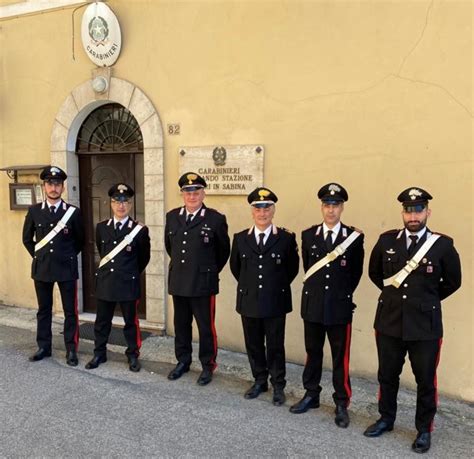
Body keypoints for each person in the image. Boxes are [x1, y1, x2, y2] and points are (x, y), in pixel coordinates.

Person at [363, 187, 461, 454]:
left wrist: (426, 301)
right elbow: (374, 274)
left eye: (419, 209)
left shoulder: (442, 245)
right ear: (403, 213)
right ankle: (386, 418)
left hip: (425, 326)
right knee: (387, 375)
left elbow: (453, 282)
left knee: (426, 380)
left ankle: (424, 430)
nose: (413, 215)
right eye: (409, 210)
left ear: (428, 212)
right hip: (389, 322)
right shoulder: (386, 241)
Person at [289, 183, 364, 427]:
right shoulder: (309, 235)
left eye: (335, 205)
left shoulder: (353, 238)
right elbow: (308, 269)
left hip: (339, 307)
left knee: (340, 357)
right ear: (321, 207)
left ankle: (342, 403)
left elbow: (355, 274)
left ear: (342, 207)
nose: (331, 210)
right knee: (313, 353)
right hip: (313, 305)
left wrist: (340, 296)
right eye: (326, 205)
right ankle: (311, 394)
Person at [230, 187, 299, 406]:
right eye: (258, 208)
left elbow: (292, 269)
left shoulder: (286, 238)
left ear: (273, 210)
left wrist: (273, 286)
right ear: (252, 211)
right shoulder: (240, 238)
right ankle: (260, 380)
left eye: (267, 208)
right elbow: (236, 268)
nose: (262, 213)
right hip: (249, 299)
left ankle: (278, 385)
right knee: (254, 344)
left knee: (276, 346)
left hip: (275, 300)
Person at [165, 172, 230, 385]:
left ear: (203, 193)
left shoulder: (215, 219)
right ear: (182, 194)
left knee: (205, 327)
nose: (192, 196)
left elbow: (223, 252)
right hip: (179, 281)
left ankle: (207, 365)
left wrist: (207, 271)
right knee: (181, 324)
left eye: (196, 191)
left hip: (203, 283)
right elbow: (170, 246)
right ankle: (183, 361)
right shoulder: (172, 216)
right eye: (187, 191)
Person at [22, 166, 84, 366]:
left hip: (66, 268)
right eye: (50, 183)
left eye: (57, 184)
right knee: (44, 310)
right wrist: (39, 257)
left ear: (63, 188)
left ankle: (71, 349)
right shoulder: (34, 211)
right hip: (43, 268)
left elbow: (80, 241)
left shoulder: (73, 213)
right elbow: (26, 239)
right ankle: (44, 347)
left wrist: (65, 256)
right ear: (44, 186)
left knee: (70, 311)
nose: (54, 187)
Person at [85, 183, 150, 372]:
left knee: (131, 322)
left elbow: (144, 258)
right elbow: (102, 250)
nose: (121, 206)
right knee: (102, 321)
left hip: (128, 283)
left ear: (130, 205)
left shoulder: (139, 230)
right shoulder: (102, 227)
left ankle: (132, 355)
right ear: (111, 204)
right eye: (116, 202)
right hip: (106, 282)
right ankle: (99, 353)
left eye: (125, 202)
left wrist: (130, 273)